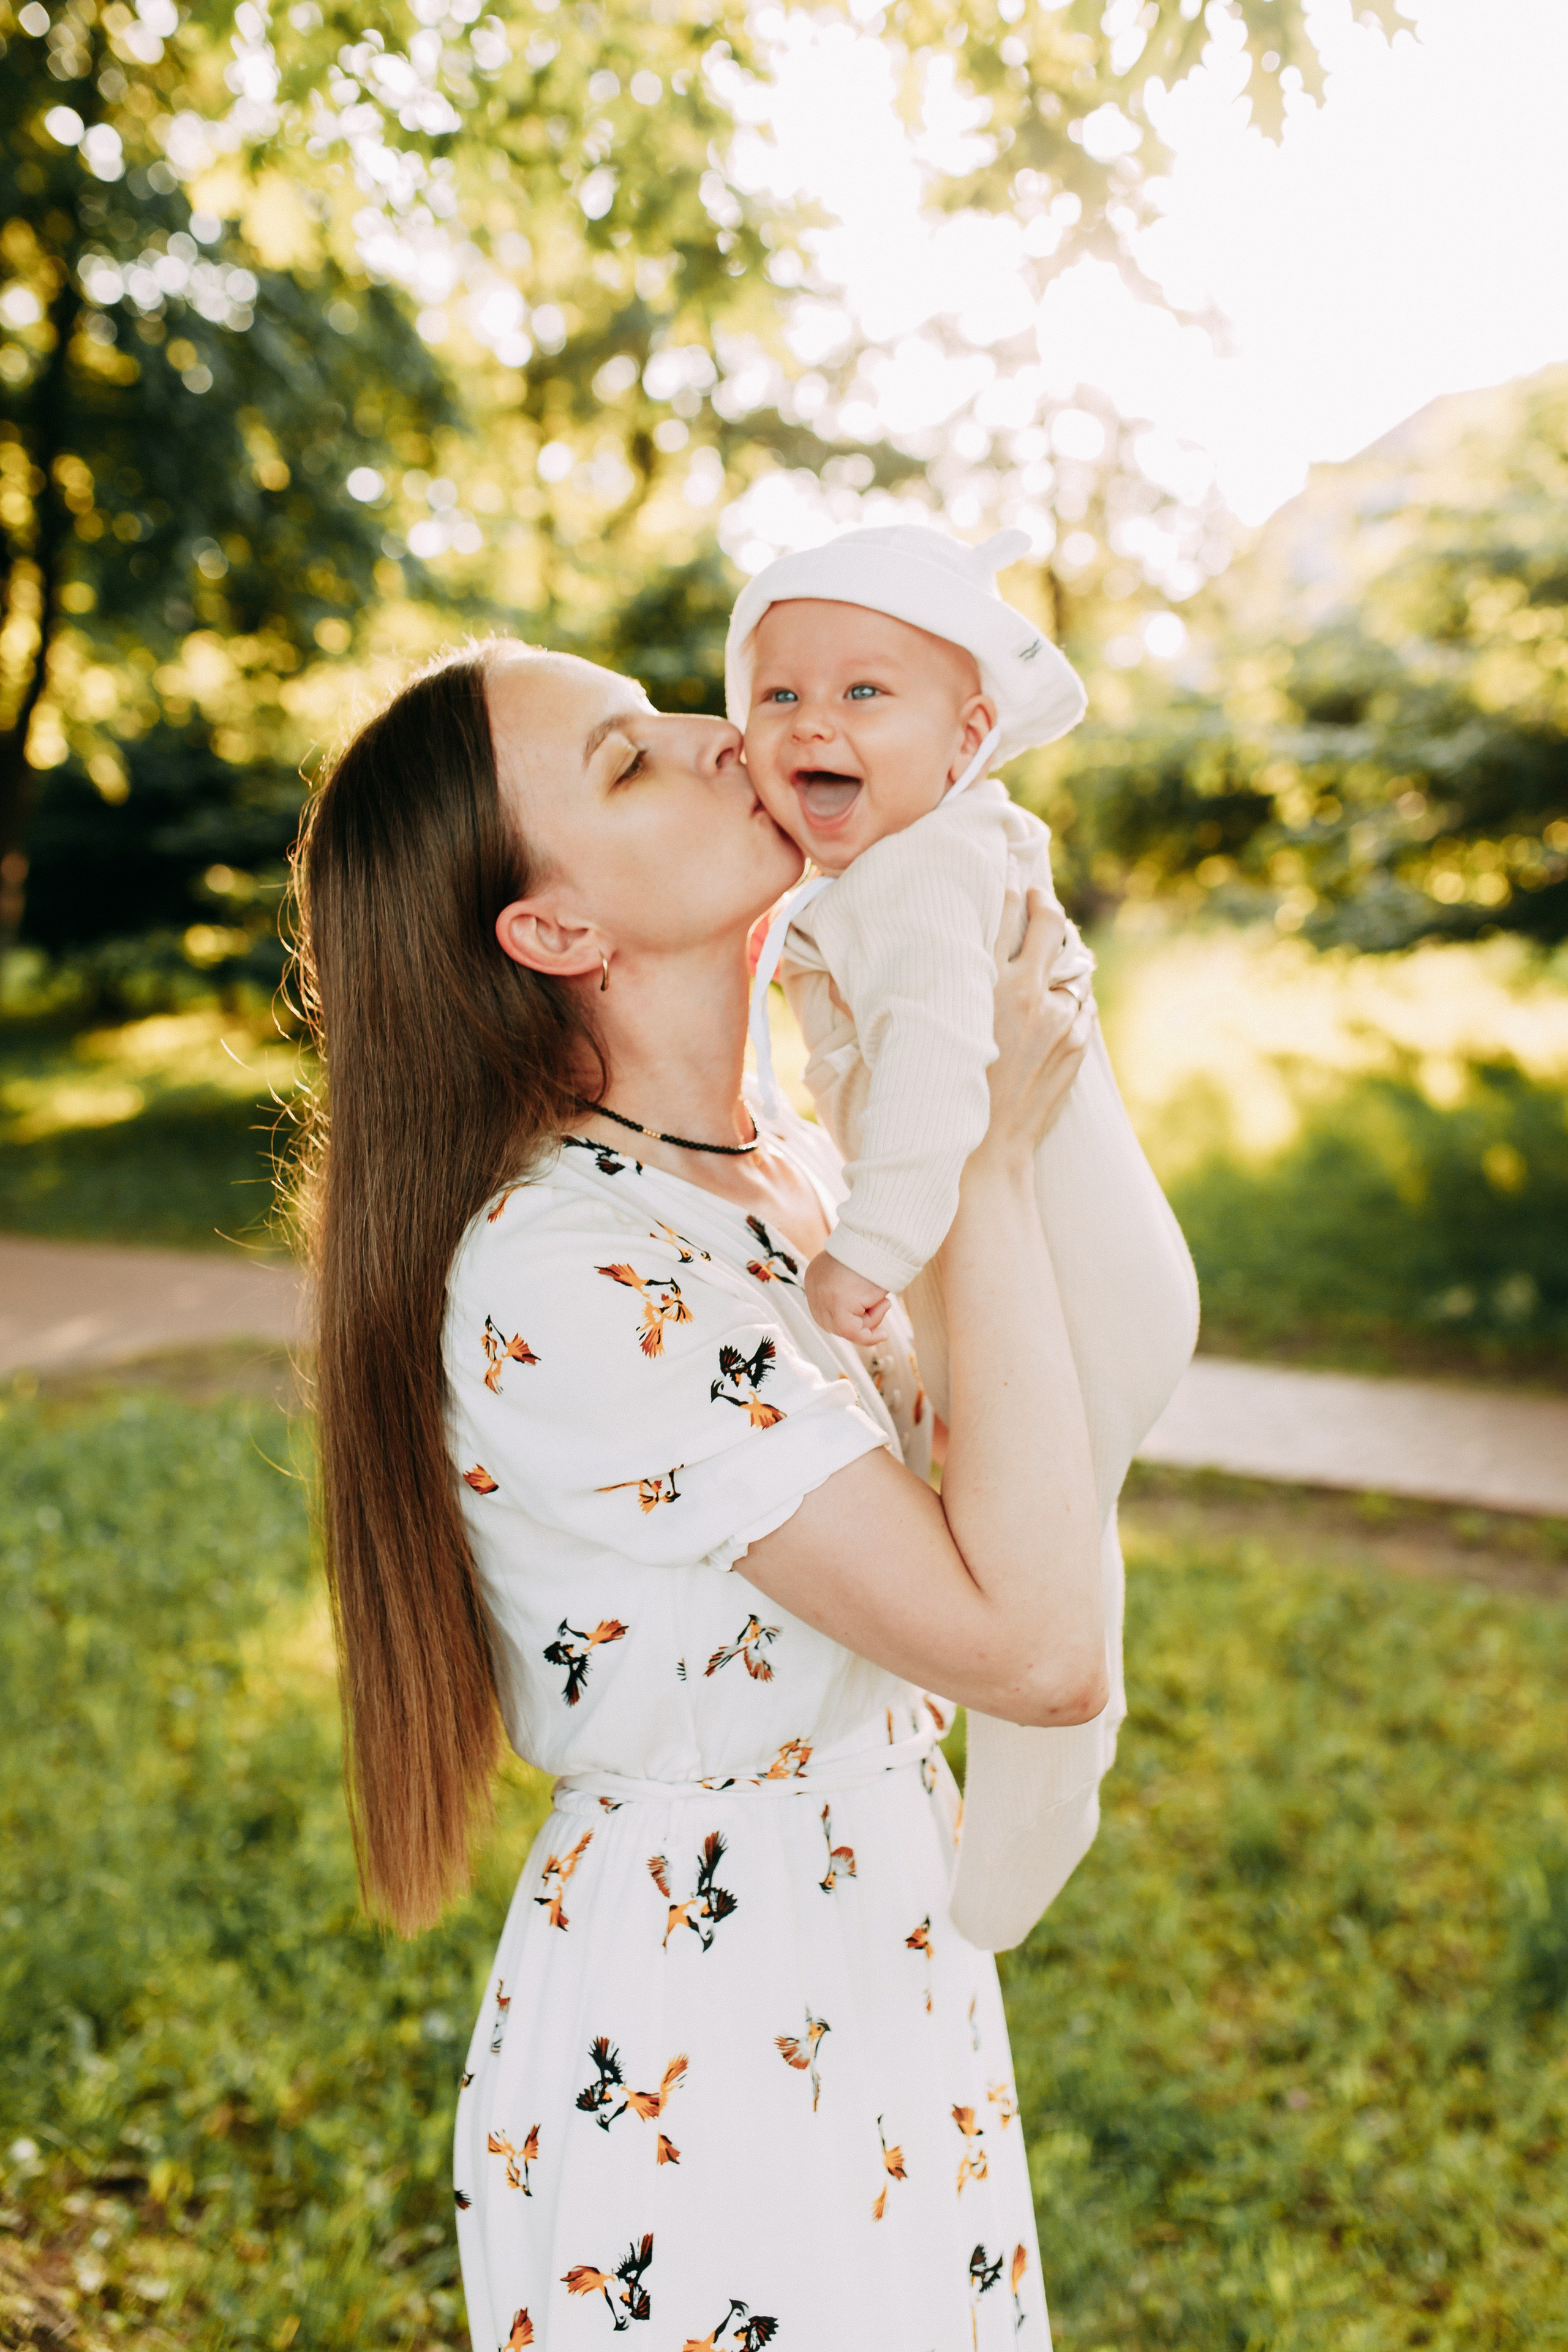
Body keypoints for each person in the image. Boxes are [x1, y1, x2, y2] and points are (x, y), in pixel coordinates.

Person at [290, 636, 1105, 2349]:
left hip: (880, 1938)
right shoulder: (568, 1265)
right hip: (707, 2035)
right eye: (626, 760)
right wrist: (996, 1173)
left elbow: (1016, 1489)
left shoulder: (793, 1171)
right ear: (556, 933)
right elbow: (1033, 1647)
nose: (716, 734)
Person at [728, 523, 1200, 1949]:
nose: (813, 722)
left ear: (969, 736)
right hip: (1062, 1258)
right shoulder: (900, 865)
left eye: (866, 693)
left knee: (1049, 1553)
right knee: (1054, 1532)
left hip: (1075, 1268)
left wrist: (862, 1261)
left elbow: (940, 1082)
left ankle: (1023, 1832)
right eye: (777, 696)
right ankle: (1023, 1812)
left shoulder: (926, 872)